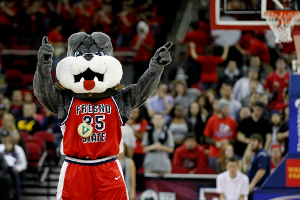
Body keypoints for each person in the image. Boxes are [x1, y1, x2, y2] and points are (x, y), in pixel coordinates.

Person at [204, 99, 238, 170]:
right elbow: (206, 137)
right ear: (220, 109)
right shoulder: (212, 120)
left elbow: (236, 138)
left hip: (228, 154)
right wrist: (216, 143)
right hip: (215, 154)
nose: (227, 110)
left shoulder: (232, 121)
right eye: (224, 108)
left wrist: (228, 142)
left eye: (228, 108)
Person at [0, 129, 27, 200]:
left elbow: (23, 164)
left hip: (14, 168)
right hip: (3, 169)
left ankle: (17, 194)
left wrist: (18, 168)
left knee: (14, 174)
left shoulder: (18, 149)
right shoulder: (1, 148)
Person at [248, 134, 270, 199]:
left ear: (260, 143)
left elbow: (262, 170)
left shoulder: (262, 154)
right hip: (255, 188)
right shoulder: (256, 154)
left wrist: (252, 184)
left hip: (258, 188)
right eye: (251, 141)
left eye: (254, 141)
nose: (252, 143)